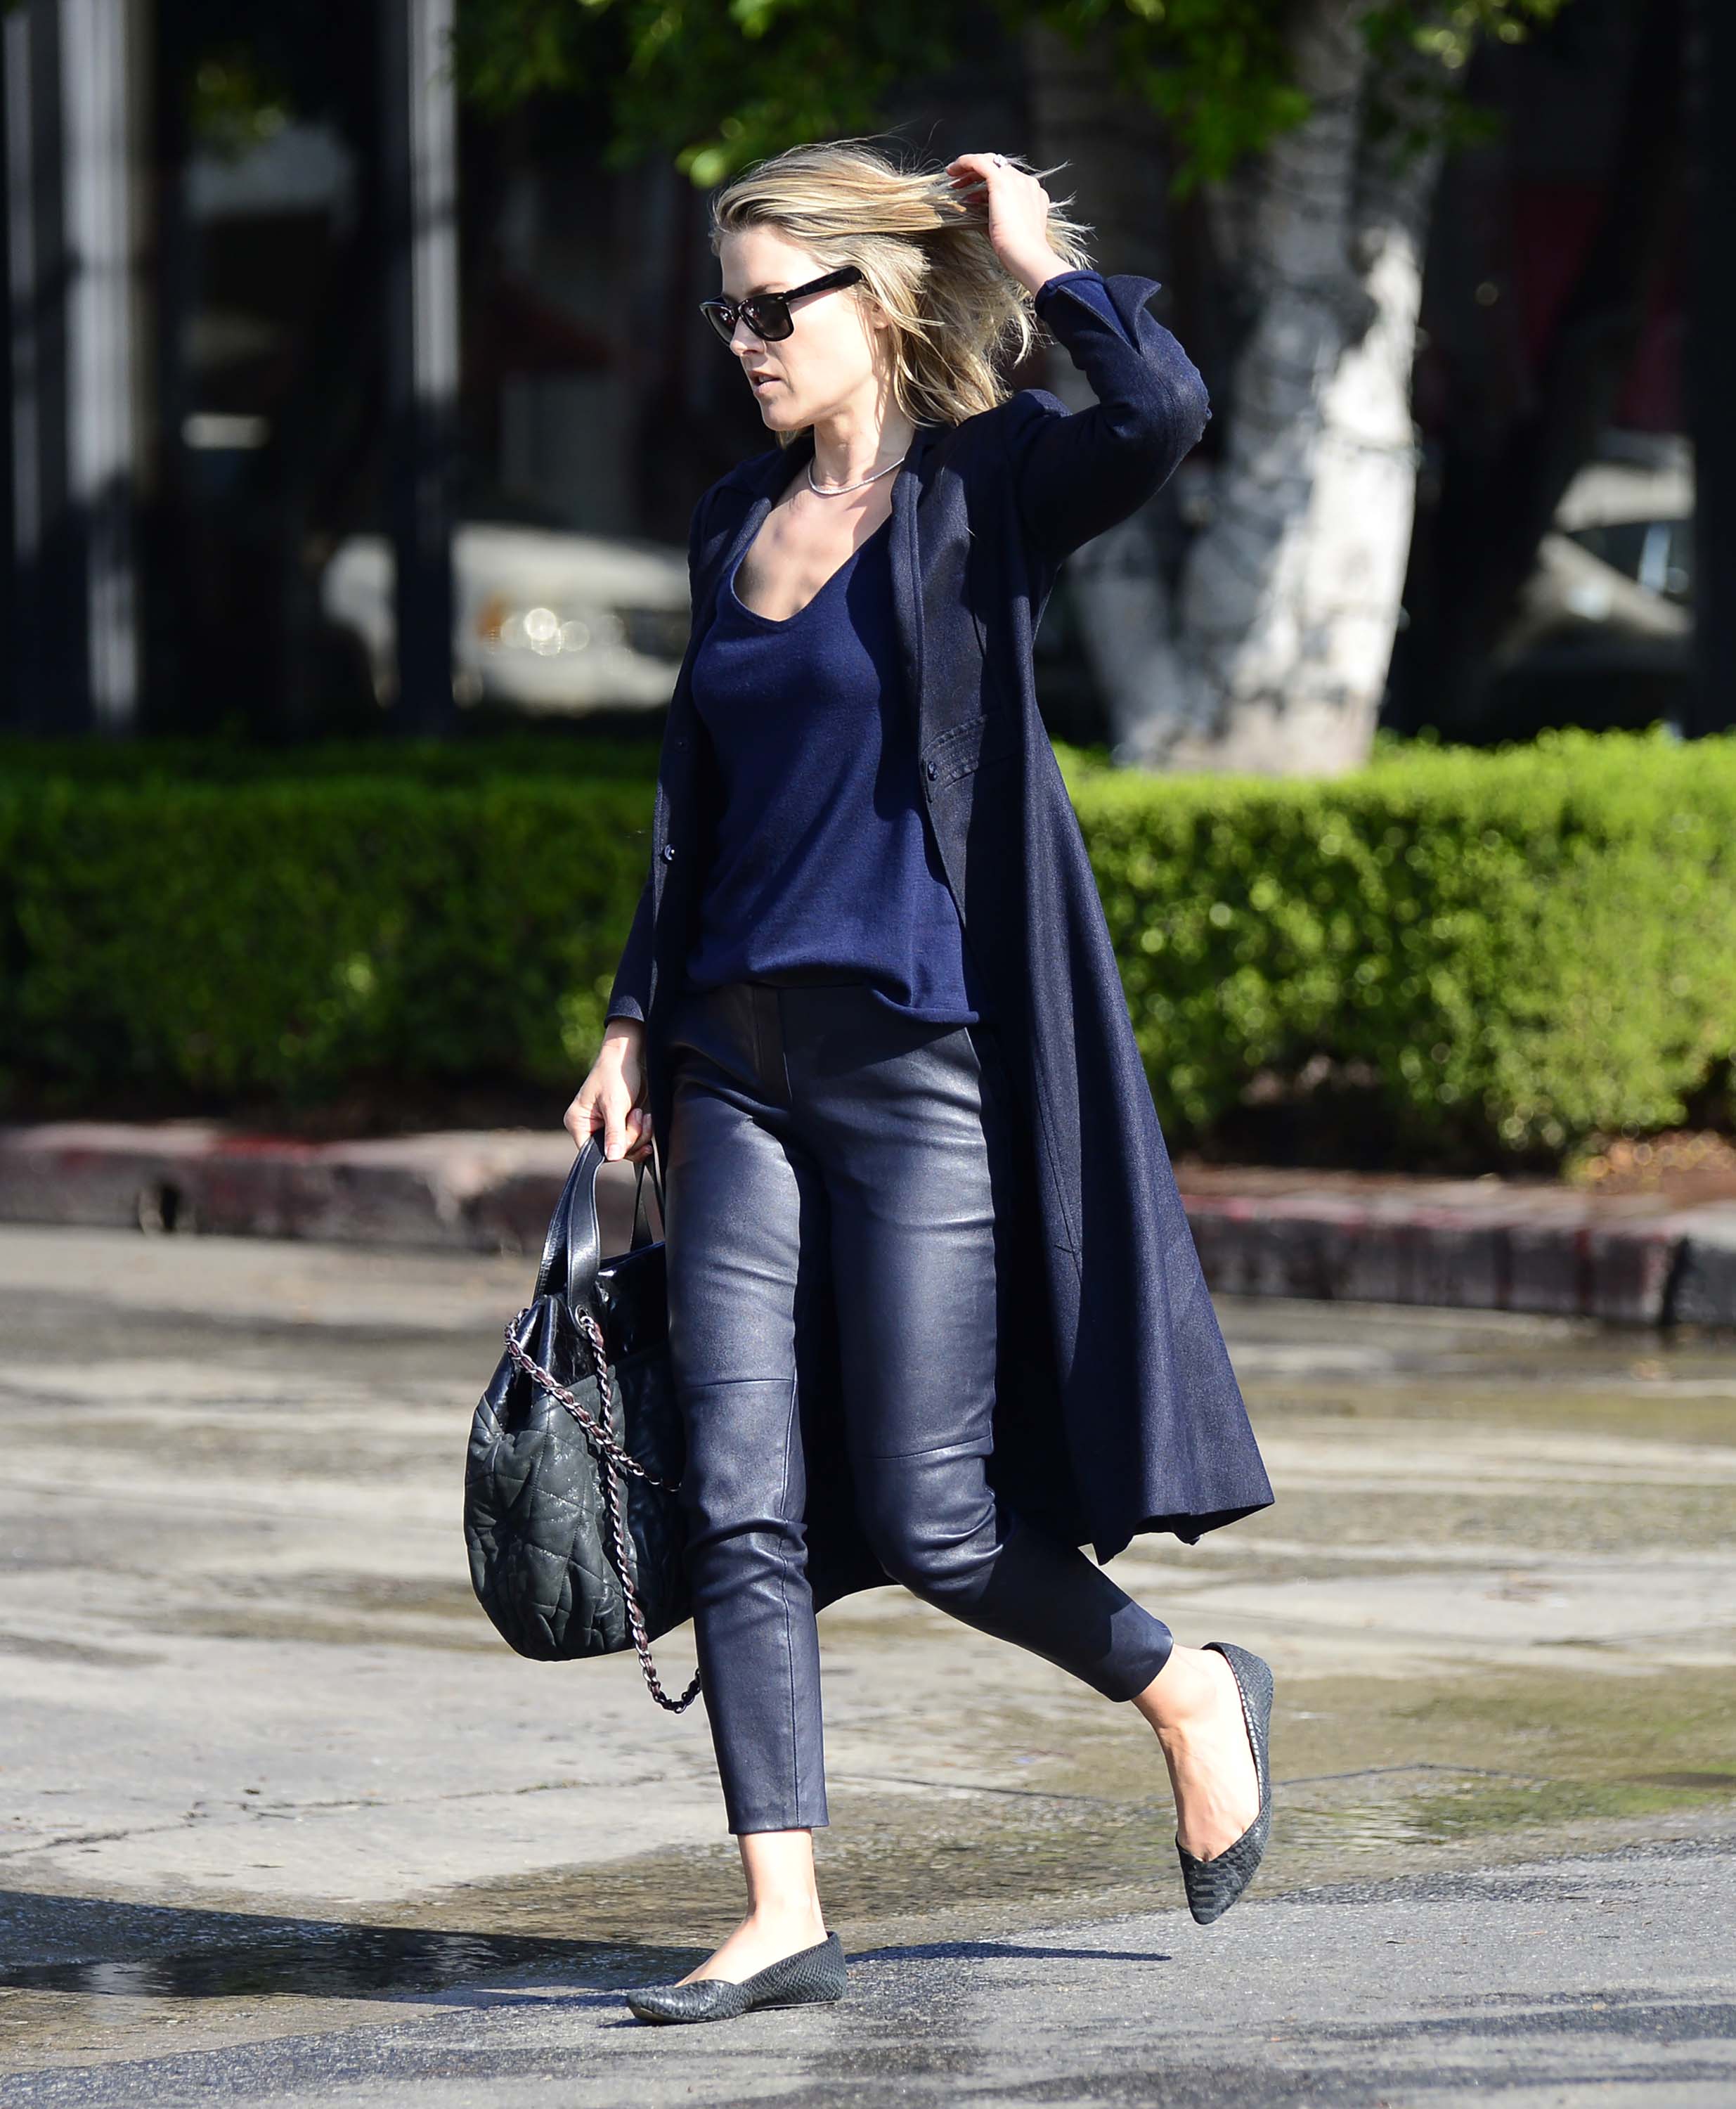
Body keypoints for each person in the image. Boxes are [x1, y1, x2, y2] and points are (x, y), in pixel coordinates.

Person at [567, 138, 1276, 2028]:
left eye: (772, 305)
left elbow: (1165, 412)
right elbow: (693, 803)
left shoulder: (987, 494)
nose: (744, 340)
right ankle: (780, 1904)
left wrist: (1040, 260)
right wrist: (637, 1015)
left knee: (942, 1510)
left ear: (874, 306)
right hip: (736, 1062)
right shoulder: (733, 525)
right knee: (734, 1483)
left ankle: (1182, 1685)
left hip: (917, 1067)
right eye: (727, 308)